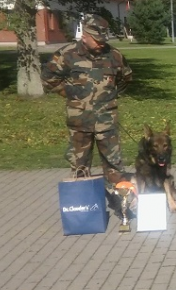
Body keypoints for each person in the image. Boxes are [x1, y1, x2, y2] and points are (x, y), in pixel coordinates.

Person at [41, 14, 132, 185]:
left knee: (115, 167)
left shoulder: (114, 55)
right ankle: (83, 208)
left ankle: (121, 204)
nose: (101, 43)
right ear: (85, 36)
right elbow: (48, 78)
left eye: (103, 39)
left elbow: (125, 78)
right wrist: (71, 94)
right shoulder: (67, 54)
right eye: (96, 39)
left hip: (106, 121)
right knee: (79, 168)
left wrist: (109, 97)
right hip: (79, 121)